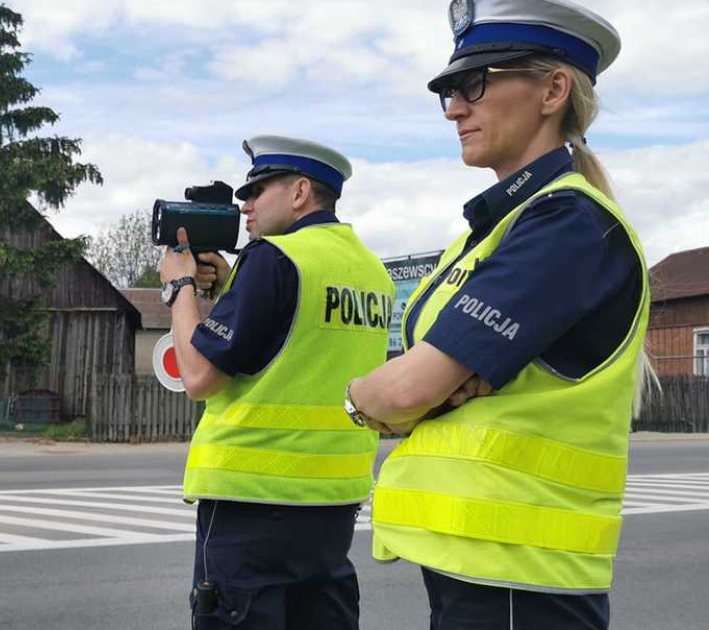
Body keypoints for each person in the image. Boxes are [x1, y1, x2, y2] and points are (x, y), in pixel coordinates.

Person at [343, 1, 651, 628]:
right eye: (451, 91)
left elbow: (406, 386)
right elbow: (417, 384)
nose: (456, 106)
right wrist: (414, 389)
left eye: (475, 84)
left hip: (522, 582)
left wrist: (362, 399)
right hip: (485, 572)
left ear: (553, 90)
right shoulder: (490, 232)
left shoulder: (569, 223)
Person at [159, 135, 396, 629]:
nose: (245, 205)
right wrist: (232, 289)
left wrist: (179, 287)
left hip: (251, 504)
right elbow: (299, 343)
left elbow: (200, 376)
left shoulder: (273, 258)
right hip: (332, 508)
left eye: (257, 190)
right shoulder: (373, 274)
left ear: (300, 192)